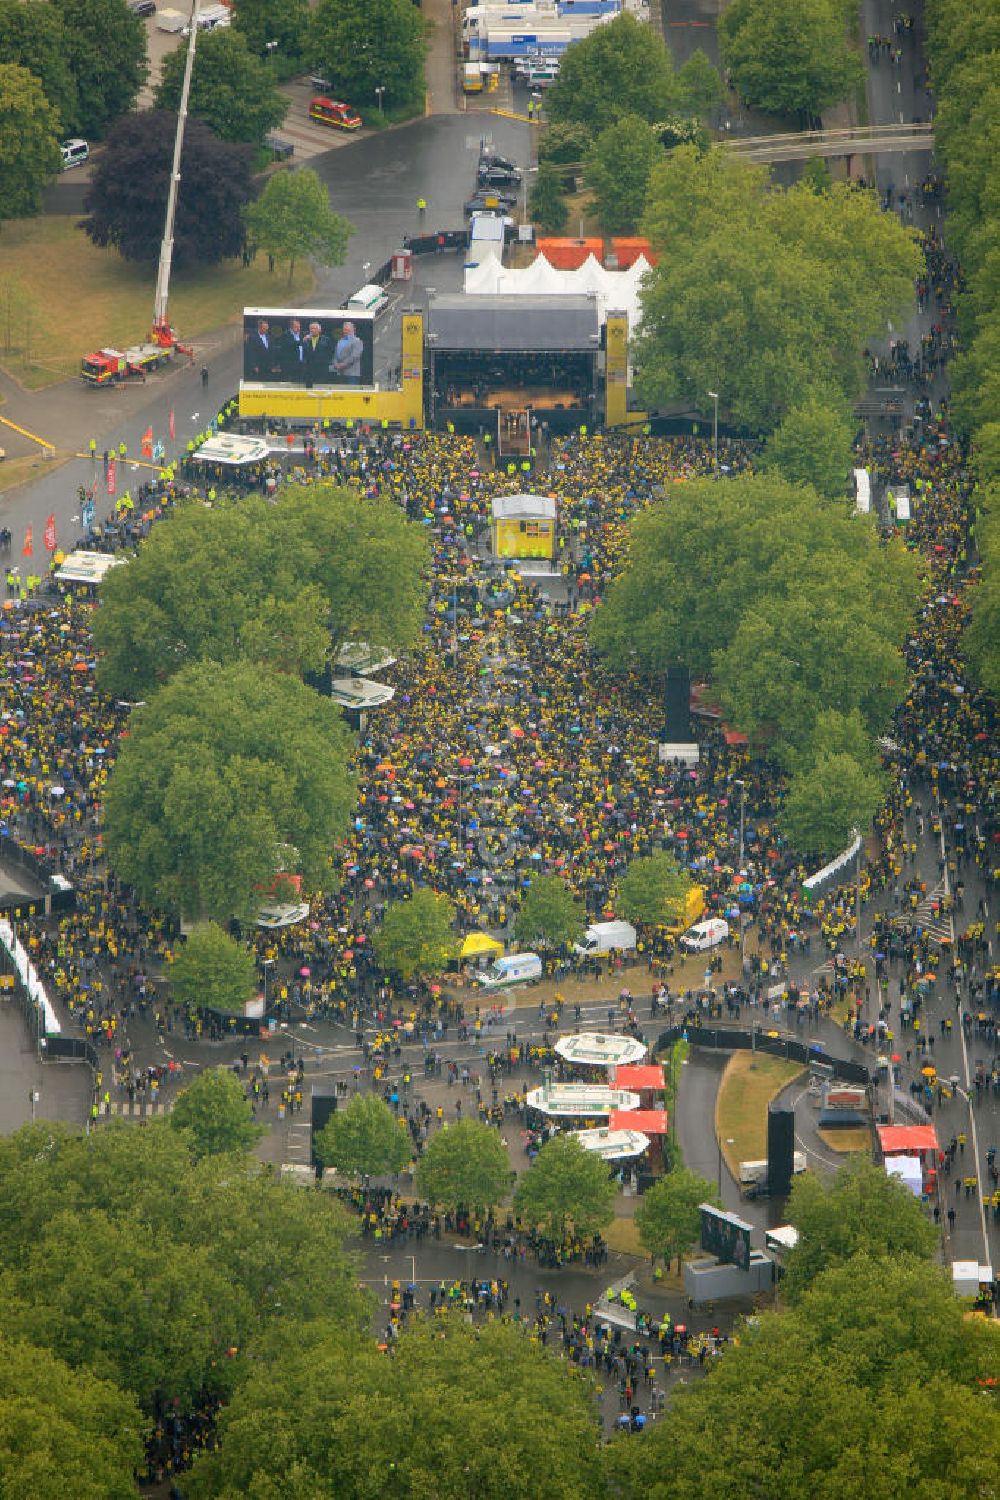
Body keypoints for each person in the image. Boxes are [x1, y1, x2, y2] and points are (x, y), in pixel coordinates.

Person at [301, 320, 333, 388]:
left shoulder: (326, 340)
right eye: (311, 328)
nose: (312, 330)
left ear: (319, 330)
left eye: (314, 328)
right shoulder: (305, 340)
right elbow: (303, 353)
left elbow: (331, 352)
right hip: (309, 370)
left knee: (321, 388)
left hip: (322, 369)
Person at [280, 318, 306, 383]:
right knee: (289, 383)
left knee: (300, 383)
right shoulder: (285, 335)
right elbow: (290, 345)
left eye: (299, 326)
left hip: (301, 364)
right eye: (296, 327)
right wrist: (302, 341)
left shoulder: (301, 335)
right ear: (291, 327)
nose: (299, 328)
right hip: (289, 365)